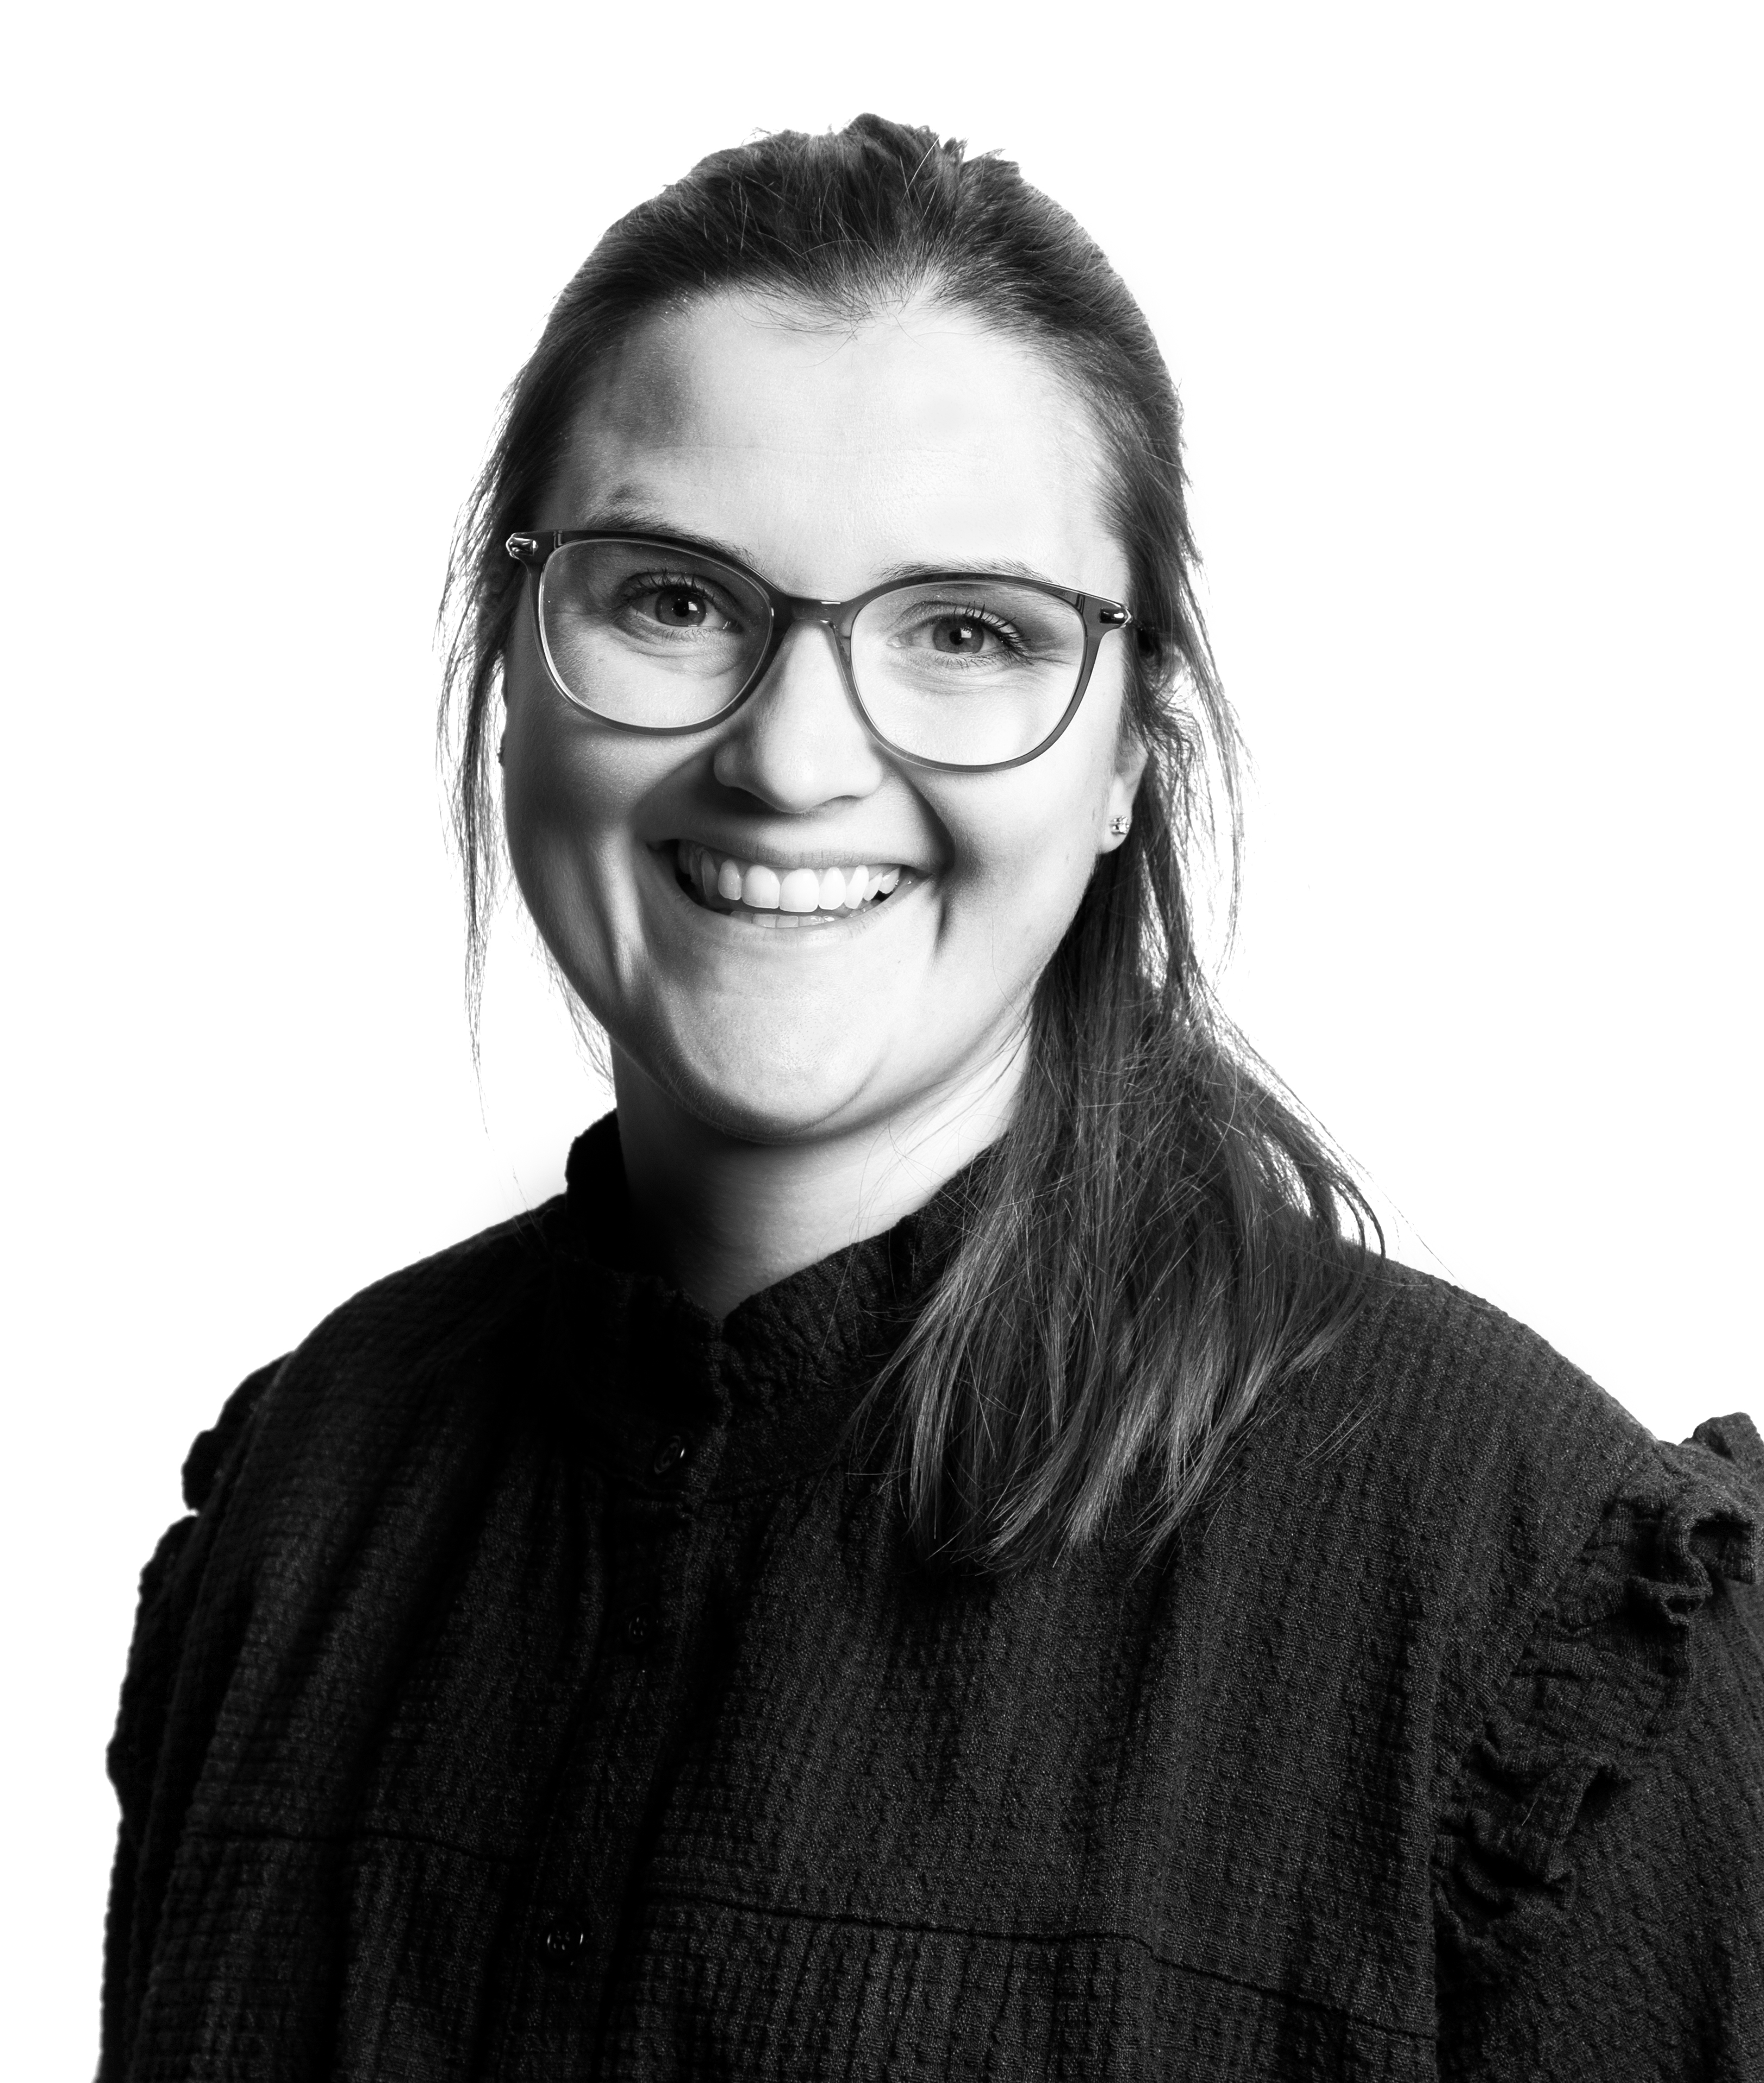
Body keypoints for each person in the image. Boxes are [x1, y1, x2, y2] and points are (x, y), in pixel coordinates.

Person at [100, 115, 1761, 2081]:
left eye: (968, 632)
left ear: (1132, 754)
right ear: (511, 666)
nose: (794, 759)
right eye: (673, 599)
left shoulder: (1519, 1604)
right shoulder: (307, 1496)